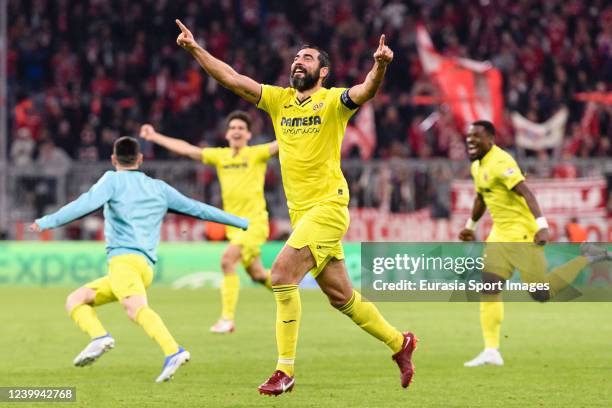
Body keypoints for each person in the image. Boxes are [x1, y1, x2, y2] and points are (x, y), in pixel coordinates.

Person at [175, 19, 417, 395]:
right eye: (295, 58)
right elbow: (232, 78)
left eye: (306, 58)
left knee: (281, 274)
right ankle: (400, 343)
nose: (297, 62)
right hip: (302, 214)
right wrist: (195, 48)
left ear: (323, 71)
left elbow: (366, 90)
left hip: (329, 207)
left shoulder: (333, 100)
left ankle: (284, 371)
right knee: (343, 299)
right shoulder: (278, 100)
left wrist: (381, 65)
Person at [30, 137, 248, 382]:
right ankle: (99, 337)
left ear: (114, 159)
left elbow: (84, 204)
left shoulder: (111, 180)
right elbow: (198, 208)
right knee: (76, 299)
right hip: (144, 268)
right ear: (140, 159)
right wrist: (239, 221)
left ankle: (173, 350)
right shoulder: (159, 188)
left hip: (124, 262)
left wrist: (46, 221)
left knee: (135, 310)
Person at [458, 120, 611, 367]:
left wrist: (541, 225)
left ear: (490, 139)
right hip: (499, 235)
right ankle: (491, 350)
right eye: (468, 139)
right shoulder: (478, 166)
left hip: (522, 234)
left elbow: (527, 192)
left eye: (476, 138)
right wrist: (470, 226)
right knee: (489, 287)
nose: (471, 142)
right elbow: (481, 197)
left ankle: (587, 256)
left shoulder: (501, 162)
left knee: (541, 293)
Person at [139, 110, 279, 333]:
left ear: (249, 135)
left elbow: (279, 143)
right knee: (258, 274)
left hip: (254, 223)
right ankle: (289, 289)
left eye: (241, 128)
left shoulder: (256, 154)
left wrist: (303, 126)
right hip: (234, 226)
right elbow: (187, 149)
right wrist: (155, 137)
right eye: (232, 128)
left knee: (227, 261)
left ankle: (227, 319)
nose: (236, 131)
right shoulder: (220, 156)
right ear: (226, 134)